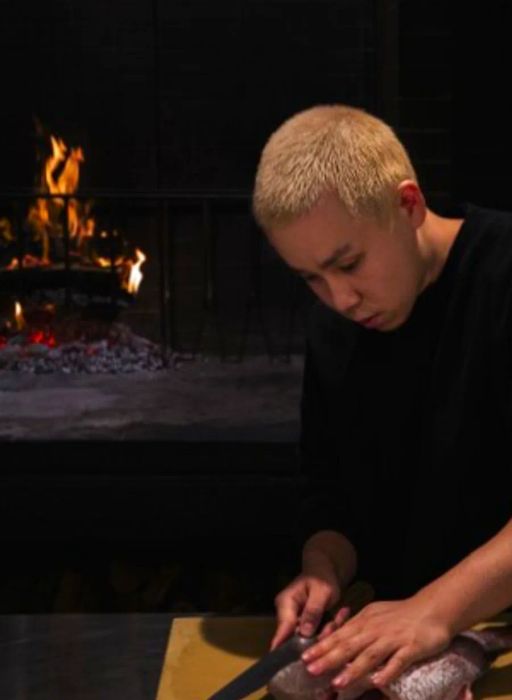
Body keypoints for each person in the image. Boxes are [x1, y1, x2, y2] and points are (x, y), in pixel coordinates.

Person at [252, 104, 512, 692]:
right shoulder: (336, 327)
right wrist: (323, 569)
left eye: (348, 264)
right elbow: (330, 495)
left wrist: (433, 611)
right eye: (311, 278)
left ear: (409, 204)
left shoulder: (503, 274)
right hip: (404, 627)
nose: (338, 299)